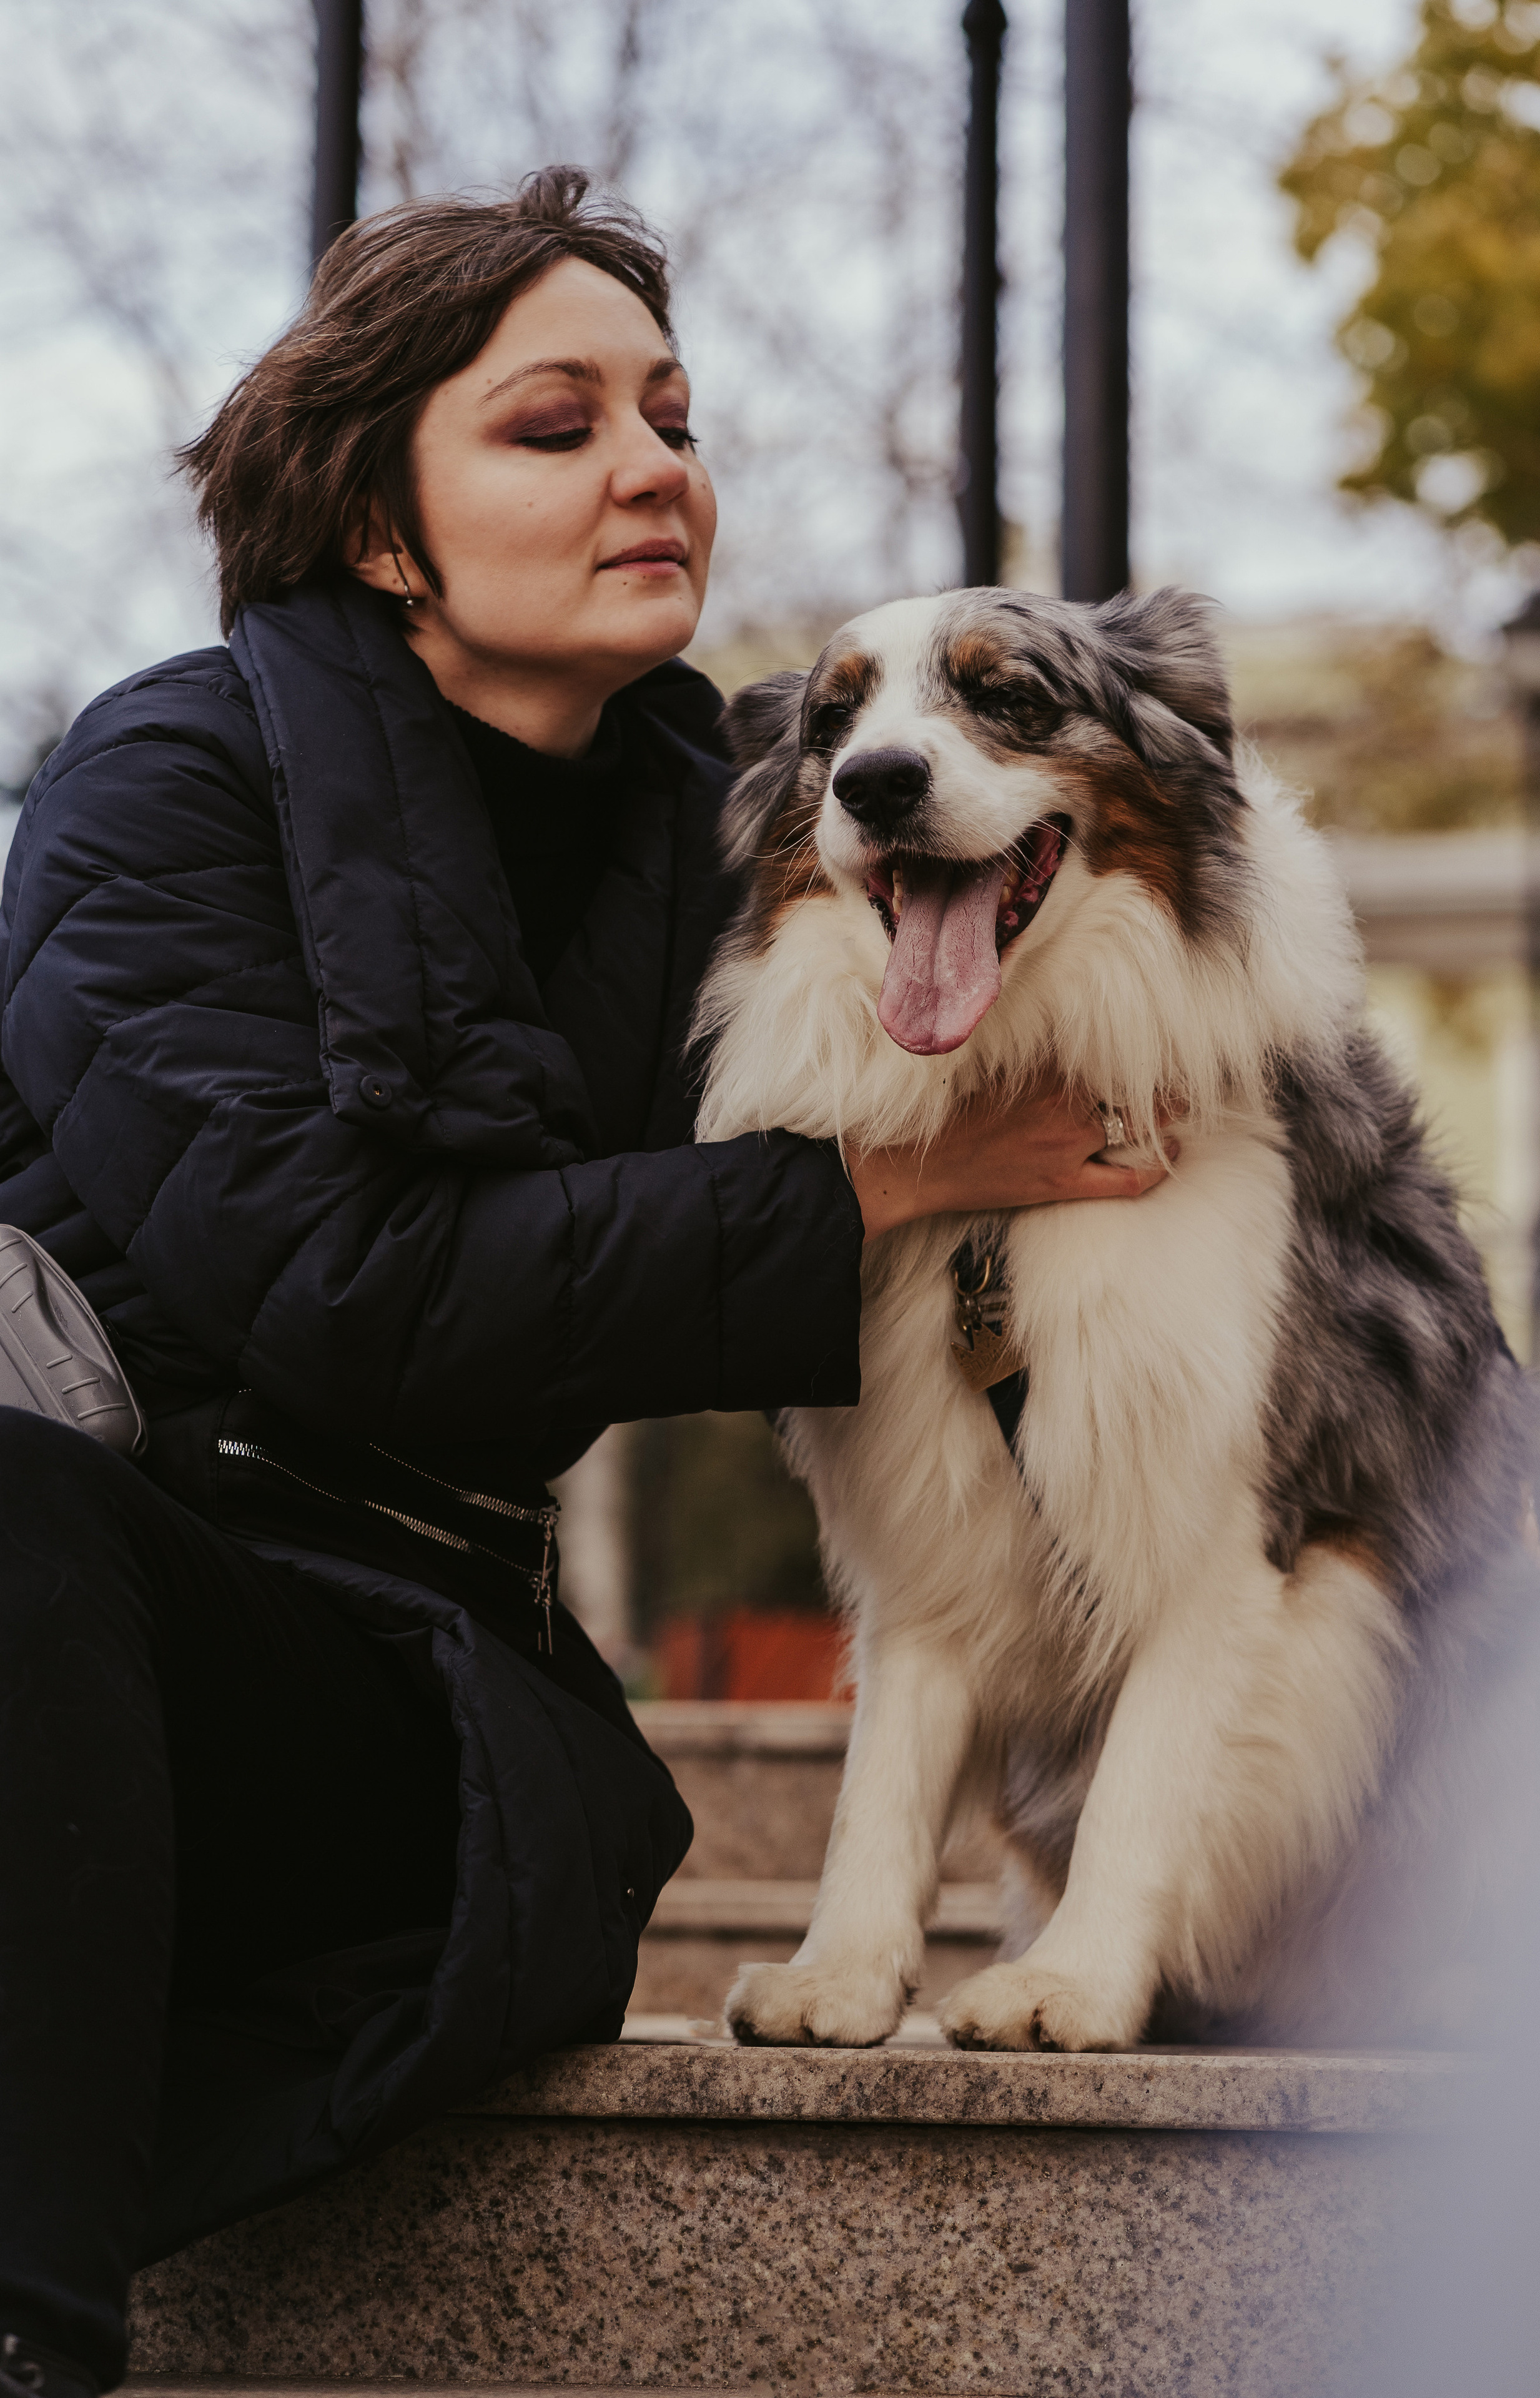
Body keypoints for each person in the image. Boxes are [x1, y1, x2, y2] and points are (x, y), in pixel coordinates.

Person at [0, 167, 1165, 2398]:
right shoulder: (157, 787)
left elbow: (1090, 933)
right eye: (557, 426)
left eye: (674, 418)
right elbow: (352, 1286)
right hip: (102, 1620)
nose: (654, 468)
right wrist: (888, 1179)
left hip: (410, 1718)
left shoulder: (732, 825)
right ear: (377, 525)